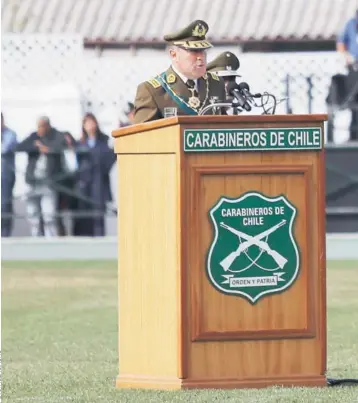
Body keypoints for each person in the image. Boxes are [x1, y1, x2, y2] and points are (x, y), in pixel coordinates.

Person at [133, 20, 227, 124]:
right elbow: (141, 136)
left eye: (203, 50)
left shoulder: (216, 84)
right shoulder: (152, 91)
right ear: (174, 55)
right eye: (193, 51)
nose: (201, 57)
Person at [16, 116, 67, 237]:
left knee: (49, 214)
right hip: (32, 181)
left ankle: (51, 240)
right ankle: (36, 239)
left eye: (42, 126)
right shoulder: (34, 136)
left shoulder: (57, 135)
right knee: (33, 213)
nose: (40, 129)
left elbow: (61, 147)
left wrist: (47, 149)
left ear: (48, 126)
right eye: (38, 126)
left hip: (48, 182)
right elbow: (19, 147)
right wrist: (36, 147)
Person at [73, 113, 116, 237]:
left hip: (99, 181)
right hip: (84, 182)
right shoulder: (80, 144)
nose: (90, 126)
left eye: (92, 122)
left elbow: (108, 161)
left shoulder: (104, 142)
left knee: (98, 214)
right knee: (84, 215)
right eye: (87, 123)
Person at [336, 9, 358, 141]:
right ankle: (353, 136)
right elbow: (341, 44)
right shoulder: (350, 24)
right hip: (354, 69)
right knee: (354, 107)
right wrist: (347, 57)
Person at [1, 113, 17, 237]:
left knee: (4, 205)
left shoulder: (10, 134)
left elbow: (4, 148)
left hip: (5, 177)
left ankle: (5, 234)